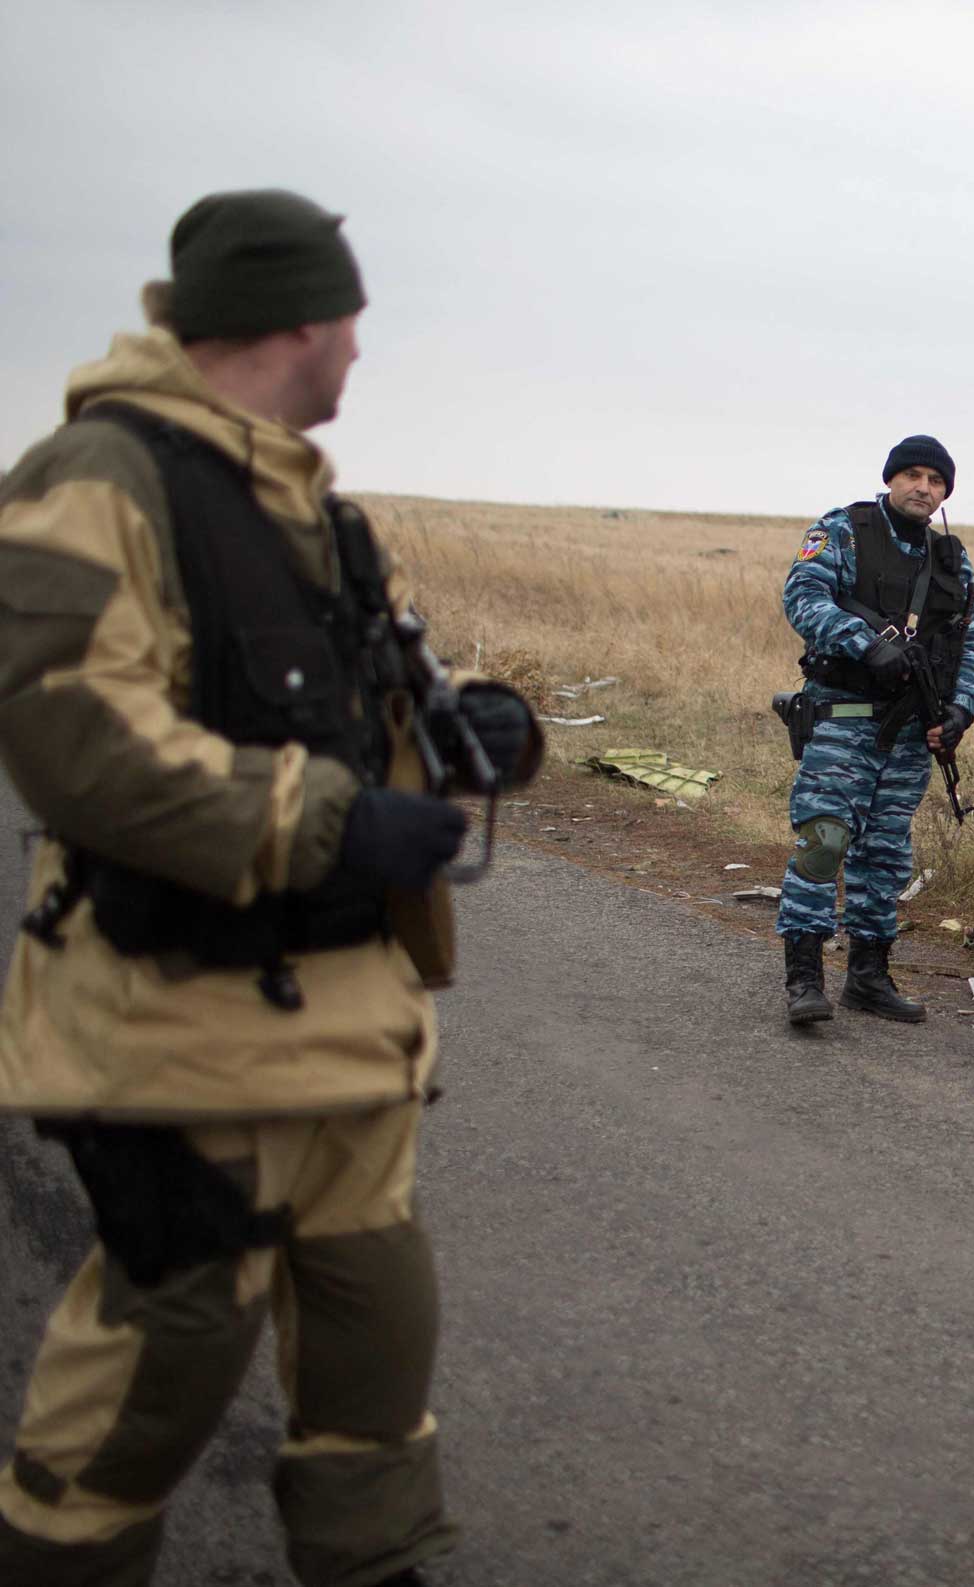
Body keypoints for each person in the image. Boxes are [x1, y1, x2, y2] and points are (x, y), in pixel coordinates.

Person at [0, 190, 539, 1586]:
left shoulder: (315, 510)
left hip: (349, 1030)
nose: (361, 351)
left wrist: (471, 730)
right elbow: (70, 731)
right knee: (160, 1360)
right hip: (183, 1034)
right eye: (352, 320)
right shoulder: (98, 477)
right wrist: (327, 823)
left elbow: (365, 714)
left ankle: (375, 1561)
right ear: (301, 319)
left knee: (375, 1334)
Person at [775, 435, 974, 1026]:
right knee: (826, 842)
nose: (924, 487)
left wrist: (960, 710)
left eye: (936, 480)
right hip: (842, 719)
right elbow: (803, 597)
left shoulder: (951, 559)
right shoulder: (844, 530)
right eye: (913, 475)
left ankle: (868, 976)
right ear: (892, 479)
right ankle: (805, 979)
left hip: (910, 734)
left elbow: (967, 640)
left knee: (886, 855)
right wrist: (866, 645)